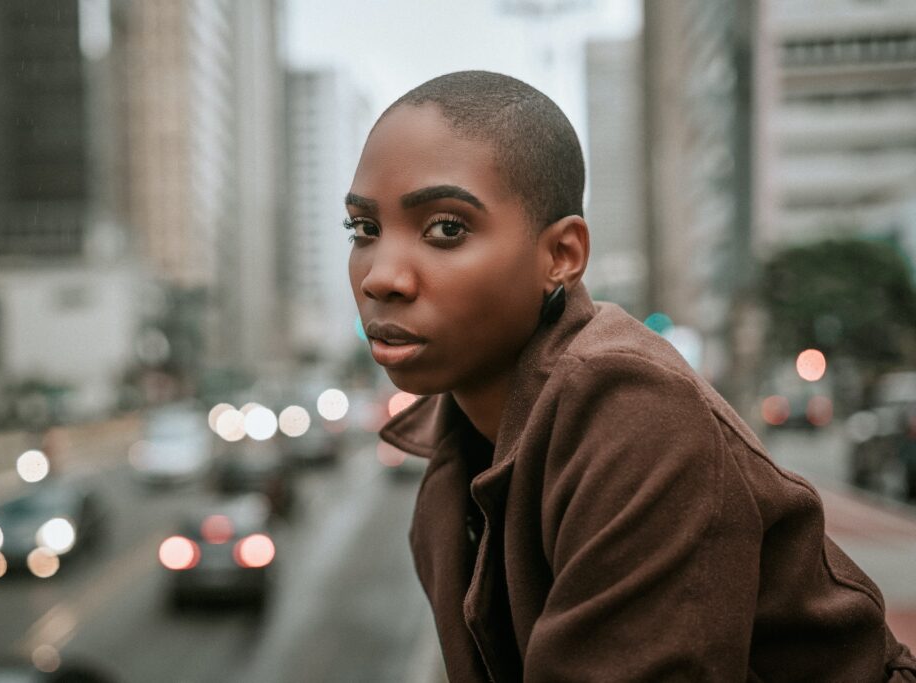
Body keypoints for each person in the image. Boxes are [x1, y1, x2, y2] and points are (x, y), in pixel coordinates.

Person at [345, 70, 916, 682]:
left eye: (446, 229)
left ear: (561, 255)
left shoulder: (637, 412)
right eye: (364, 230)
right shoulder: (450, 449)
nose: (381, 276)